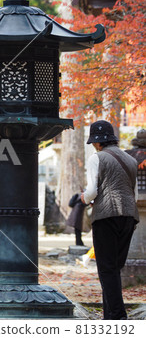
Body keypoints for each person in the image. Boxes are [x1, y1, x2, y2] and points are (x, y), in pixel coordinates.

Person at [81, 120, 139, 320]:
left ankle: (117, 315)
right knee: (115, 267)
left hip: (106, 216)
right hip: (129, 216)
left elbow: (92, 191)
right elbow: (135, 194)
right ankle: (110, 315)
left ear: (97, 143)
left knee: (106, 268)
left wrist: (84, 198)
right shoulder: (131, 159)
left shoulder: (96, 158)